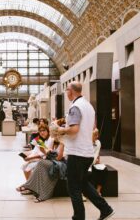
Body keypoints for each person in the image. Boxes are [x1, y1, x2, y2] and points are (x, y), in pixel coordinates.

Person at [57, 82, 114, 220]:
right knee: (82, 184)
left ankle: (79, 217)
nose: (66, 93)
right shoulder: (88, 106)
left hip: (77, 152)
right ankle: (105, 209)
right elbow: (92, 129)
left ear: (71, 91)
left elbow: (74, 130)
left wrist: (61, 130)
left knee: (73, 188)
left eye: (67, 90)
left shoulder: (76, 107)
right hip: (87, 152)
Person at [17, 121, 65, 202]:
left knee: (40, 163)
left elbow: (59, 158)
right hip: (51, 160)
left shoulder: (60, 142)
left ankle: (30, 187)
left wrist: (46, 152)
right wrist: (46, 152)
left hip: (59, 163)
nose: (52, 136)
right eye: (40, 131)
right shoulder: (46, 140)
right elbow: (42, 152)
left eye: (45, 131)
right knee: (34, 165)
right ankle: (31, 187)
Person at [89, 128, 108, 196]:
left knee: (103, 169)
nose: (97, 136)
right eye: (95, 135)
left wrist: (96, 161)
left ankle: (98, 190)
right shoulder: (86, 143)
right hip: (87, 163)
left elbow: (97, 154)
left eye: (97, 135)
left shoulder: (98, 142)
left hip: (93, 162)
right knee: (88, 173)